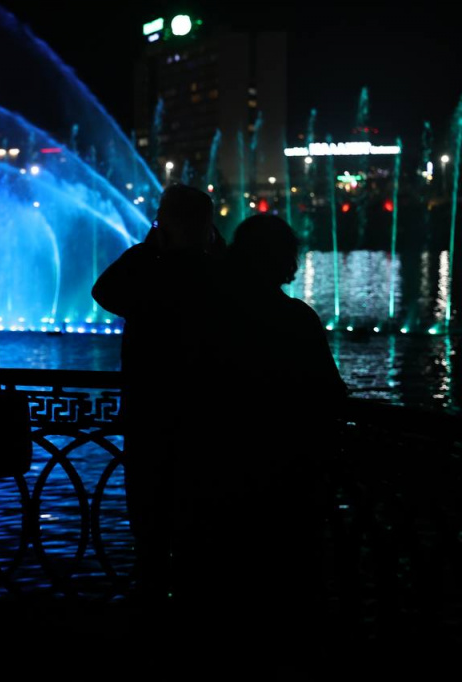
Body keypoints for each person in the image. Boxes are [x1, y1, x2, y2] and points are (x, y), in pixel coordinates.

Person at [190, 214, 346, 663]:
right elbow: (329, 393)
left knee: (224, 596)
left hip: (218, 475)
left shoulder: (209, 317)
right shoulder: (296, 319)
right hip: (286, 478)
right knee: (287, 593)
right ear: (286, 263)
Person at [91, 184, 224, 615]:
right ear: (207, 225)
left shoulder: (148, 268)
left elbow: (103, 291)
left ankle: (151, 624)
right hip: (208, 425)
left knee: (149, 534)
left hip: (148, 421)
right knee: (201, 539)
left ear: (163, 225)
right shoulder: (219, 274)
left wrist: (151, 247)